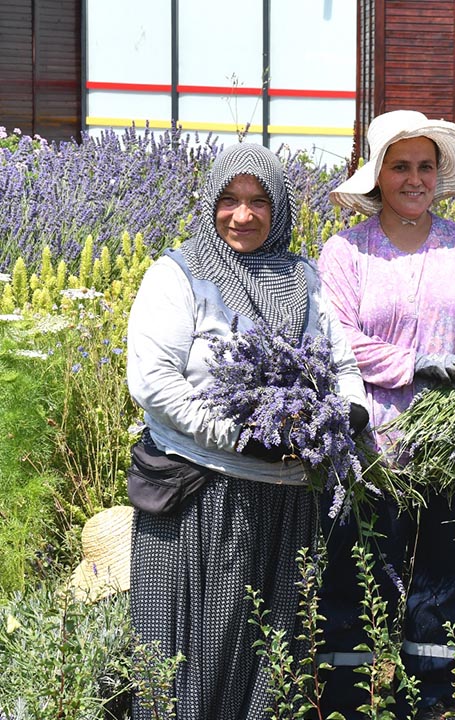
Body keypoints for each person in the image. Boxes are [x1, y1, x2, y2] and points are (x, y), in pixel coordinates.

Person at [126, 142, 368, 719]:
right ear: (210, 203)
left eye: (260, 200)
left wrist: (348, 413)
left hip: (288, 497)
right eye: (229, 200)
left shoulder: (303, 277)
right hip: (200, 493)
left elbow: (343, 365)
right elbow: (154, 382)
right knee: (185, 655)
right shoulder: (178, 275)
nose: (244, 215)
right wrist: (242, 435)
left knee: (272, 655)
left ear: (279, 208)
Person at [318, 109, 455, 714]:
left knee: (445, 577)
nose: (415, 179)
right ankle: (348, 698)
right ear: (377, 177)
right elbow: (333, 339)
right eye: (400, 166)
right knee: (359, 573)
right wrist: (414, 364)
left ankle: (428, 697)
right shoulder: (346, 252)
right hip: (376, 447)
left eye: (426, 167)